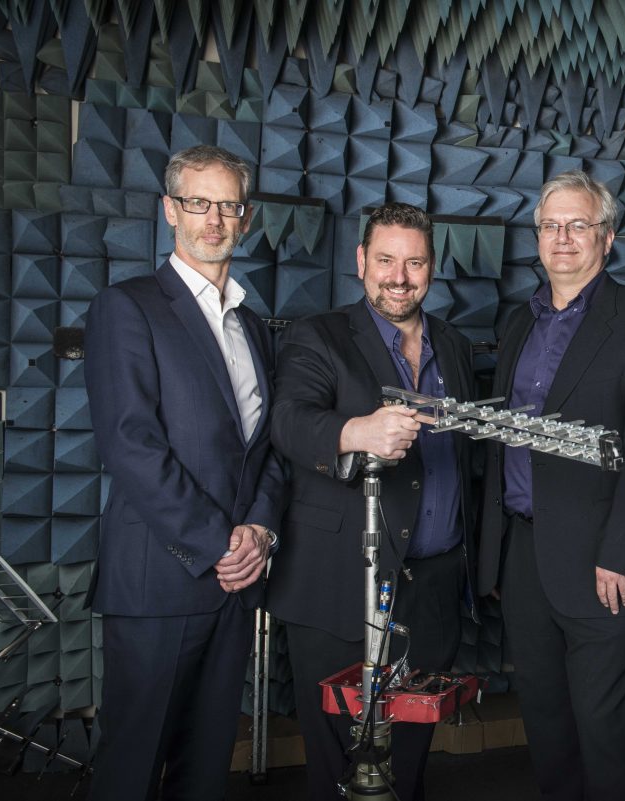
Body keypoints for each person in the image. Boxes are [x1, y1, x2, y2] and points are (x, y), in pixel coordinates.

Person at [83, 145, 285, 801]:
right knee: (132, 768)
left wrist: (258, 526)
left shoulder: (253, 326)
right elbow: (129, 442)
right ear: (171, 210)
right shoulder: (128, 306)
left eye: (228, 205)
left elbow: (266, 447)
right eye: (199, 203)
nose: (214, 220)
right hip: (160, 580)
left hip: (233, 583)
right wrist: (216, 542)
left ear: (246, 216)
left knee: (204, 772)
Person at [476, 170, 625, 801]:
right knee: (545, 722)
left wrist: (621, 550)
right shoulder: (520, 322)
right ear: (537, 237)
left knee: (604, 729)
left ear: (608, 236)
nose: (562, 237)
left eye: (578, 225)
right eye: (550, 225)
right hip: (522, 557)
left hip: (602, 561)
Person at [267, 202, 477, 801]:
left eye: (414, 262)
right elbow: (288, 421)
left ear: (432, 268)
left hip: (431, 585)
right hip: (339, 580)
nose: (399, 276)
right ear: (361, 261)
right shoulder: (321, 335)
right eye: (385, 259)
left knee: (407, 755)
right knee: (340, 756)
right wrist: (355, 433)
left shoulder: (455, 346)